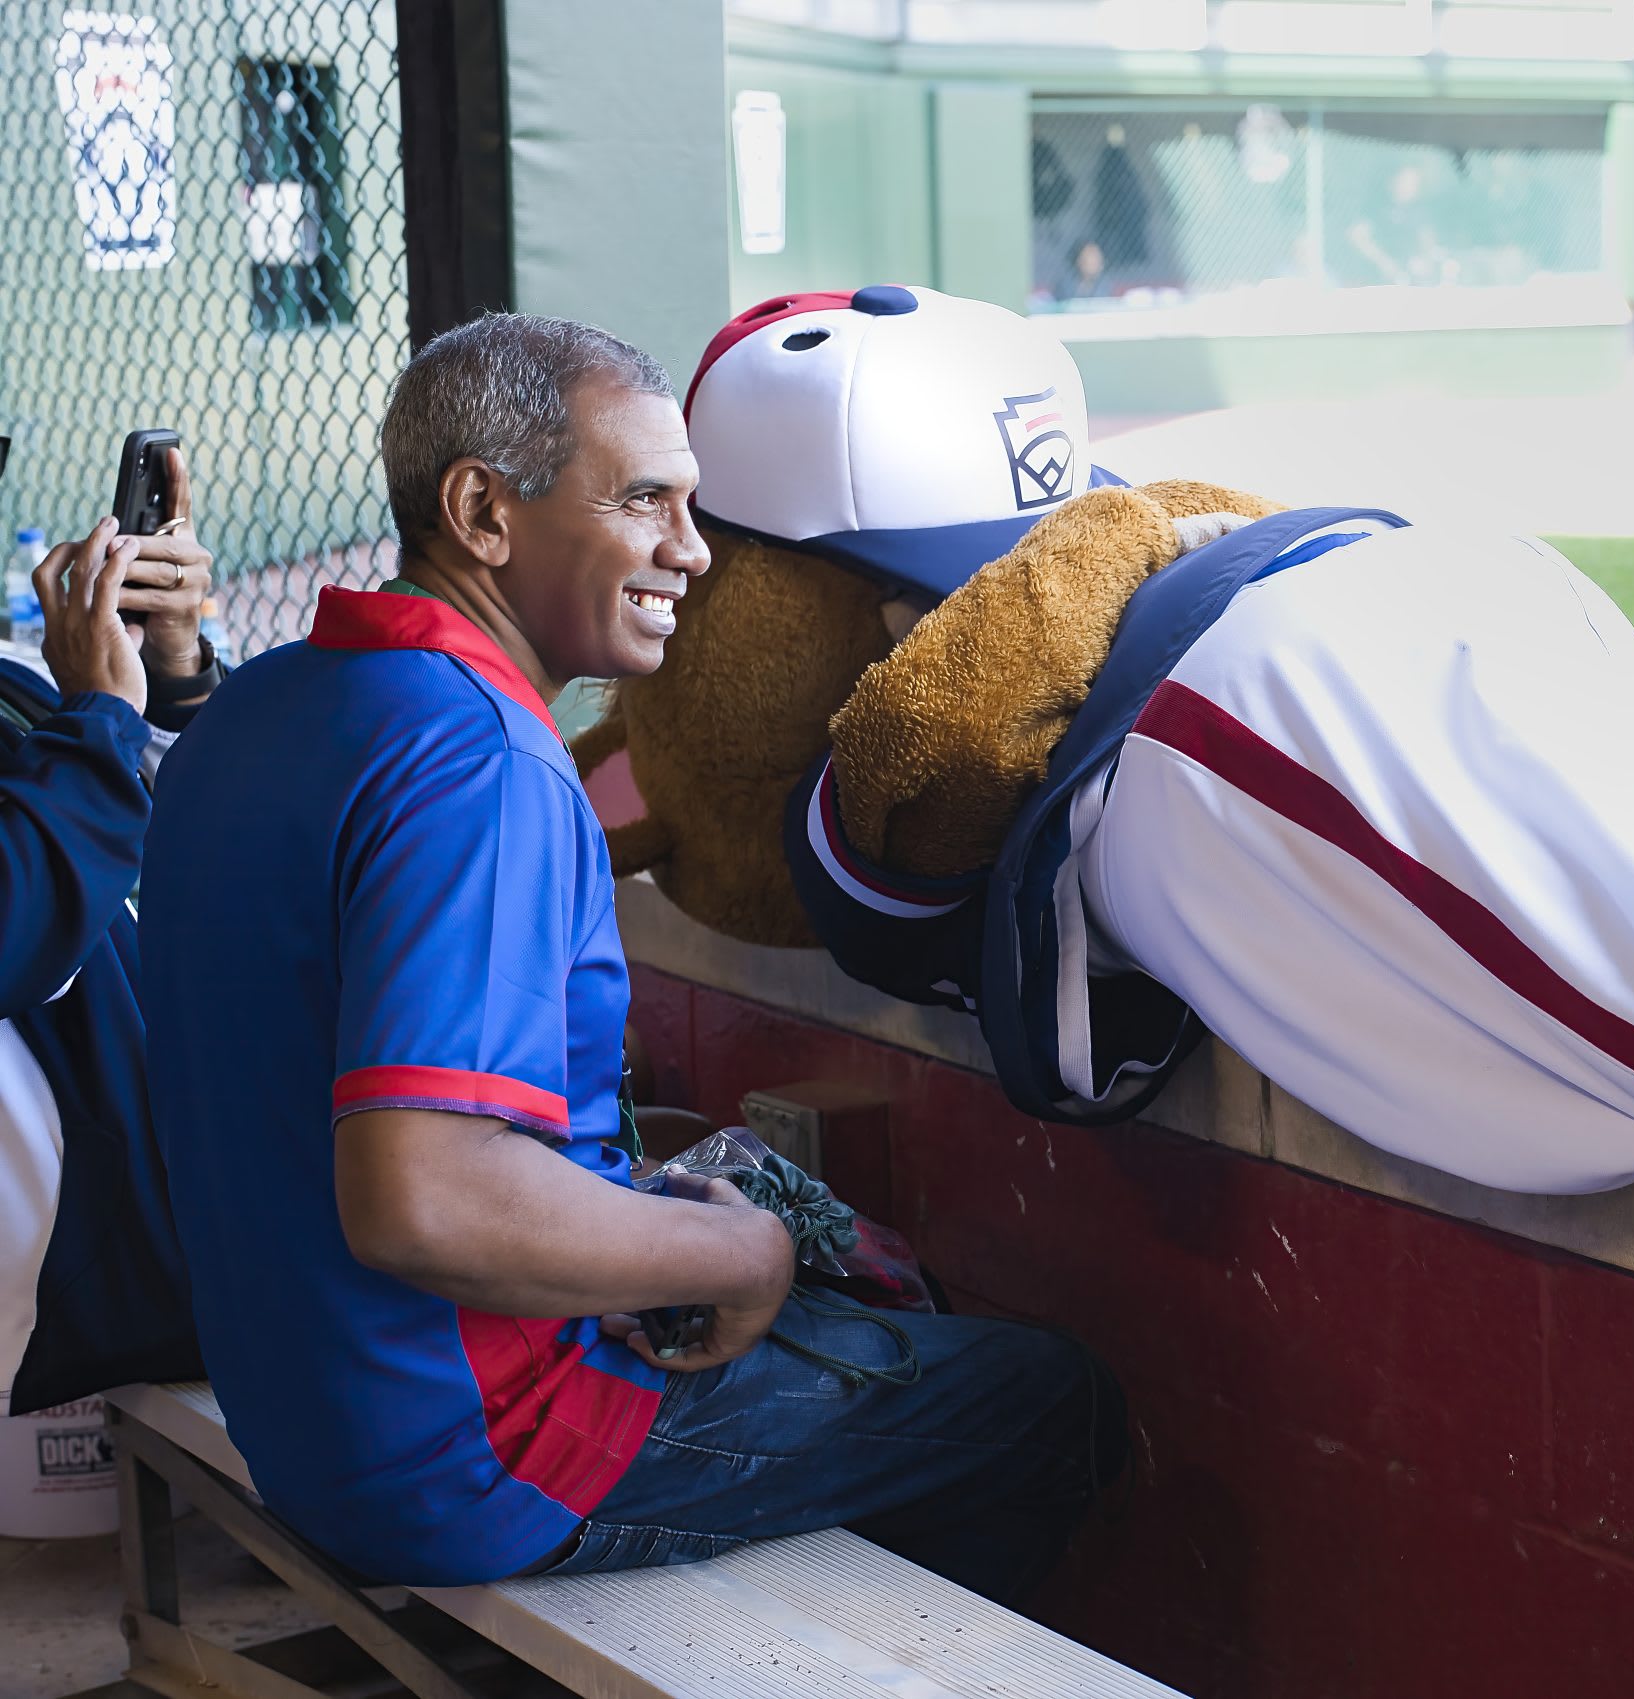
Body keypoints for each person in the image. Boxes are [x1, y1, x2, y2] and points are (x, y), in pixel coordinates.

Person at [140, 314, 1123, 1593]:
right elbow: (422, 1196)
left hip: (303, 1422)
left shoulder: (262, 704)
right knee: (1047, 1402)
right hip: (482, 1456)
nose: (693, 551)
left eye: (696, 503)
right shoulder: (479, 762)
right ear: (484, 511)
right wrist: (738, 1254)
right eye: (646, 498)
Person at [0, 452, 220, 1418]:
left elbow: (215, 841)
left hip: (177, 1210)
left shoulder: (14, 685)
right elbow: (19, 923)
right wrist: (97, 716)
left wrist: (167, 673)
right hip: (78, 1293)